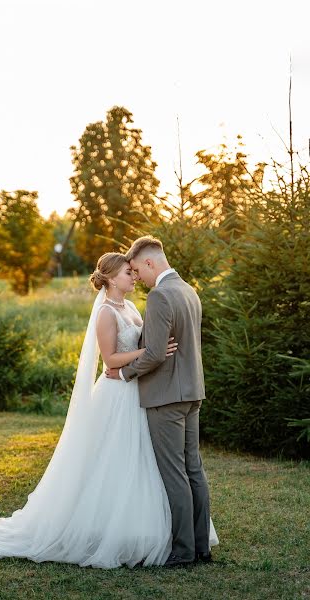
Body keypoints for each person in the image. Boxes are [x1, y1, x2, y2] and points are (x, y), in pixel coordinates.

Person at [0, 253, 183, 568]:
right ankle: (99, 528)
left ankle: (134, 527)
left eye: (134, 271)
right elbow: (111, 360)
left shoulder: (129, 307)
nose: (134, 277)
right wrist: (151, 351)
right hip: (115, 394)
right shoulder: (104, 313)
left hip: (133, 392)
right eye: (128, 272)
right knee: (110, 460)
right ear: (112, 278)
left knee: (134, 459)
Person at [106, 236, 217, 567]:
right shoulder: (188, 290)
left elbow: (155, 354)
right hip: (192, 392)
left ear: (150, 262)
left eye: (138, 269)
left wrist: (124, 375)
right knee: (193, 469)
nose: (138, 276)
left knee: (174, 473)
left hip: (166, 398)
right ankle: (201, 548)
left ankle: (183, 552)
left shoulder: (160, 296)